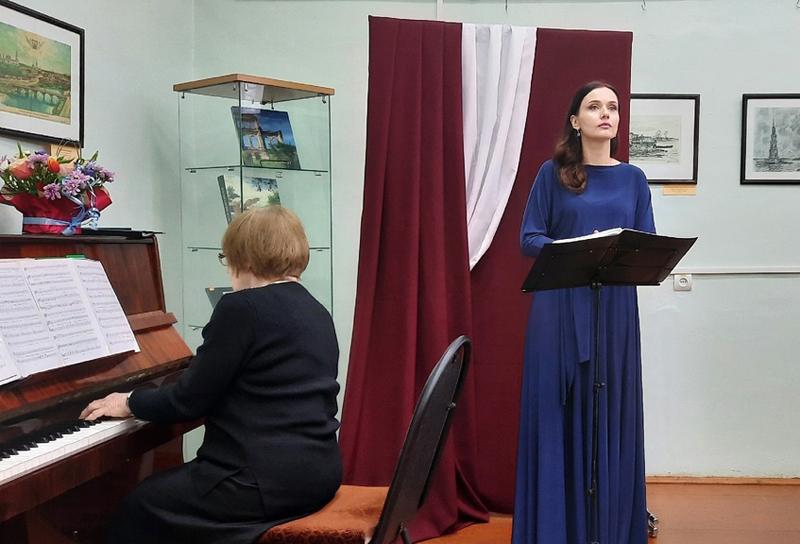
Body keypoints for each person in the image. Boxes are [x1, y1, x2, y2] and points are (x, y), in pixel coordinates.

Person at [80, 205, 342, 544]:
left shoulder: (241, 308)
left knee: (140, 504)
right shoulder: (315, 309)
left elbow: (188, 401)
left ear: (244, 259)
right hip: (318, 474)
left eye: (226, 259)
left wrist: (129, 401)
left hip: (258, 483)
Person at [512, 81, 655, 543]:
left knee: (610, 411)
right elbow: (529, 237)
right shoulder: (551, 174)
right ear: (575, 121)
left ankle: (608, 529)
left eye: (612, 107)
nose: (606, 113)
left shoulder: (634, 178)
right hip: (558, 308)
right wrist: (579, 248)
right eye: (594, 107)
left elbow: (647, 241)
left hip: (615, 312)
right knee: (559, 411)